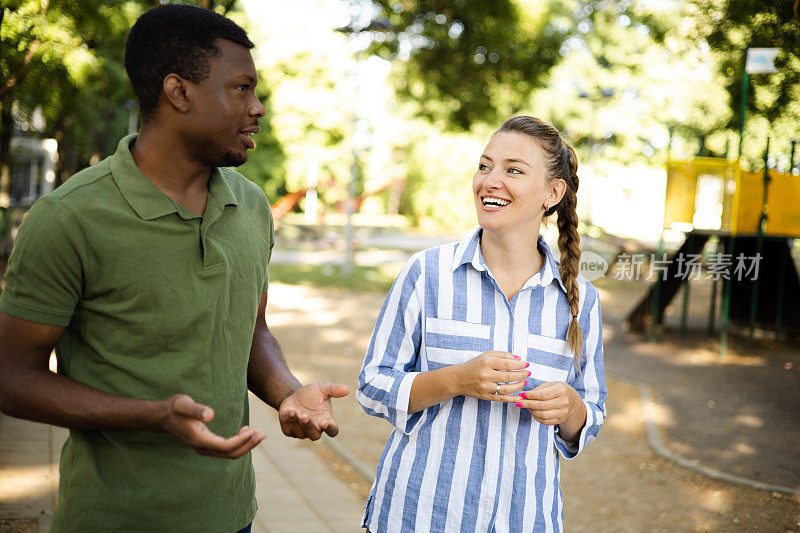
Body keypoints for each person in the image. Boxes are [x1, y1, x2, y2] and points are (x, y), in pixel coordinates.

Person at [0, 5, 348, 532]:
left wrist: (287, 391)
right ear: (178, 92)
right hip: (114, 521)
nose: (256, 108)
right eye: (240, 89)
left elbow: (249, 329)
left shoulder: (251, 207)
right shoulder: (70, 219)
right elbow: (11, 378)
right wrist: (152, 415)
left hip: (234, 517)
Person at [357, 115, 607, 532]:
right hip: (418, 517)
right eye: (485, 166)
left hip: (525, 520)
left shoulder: (581, 300)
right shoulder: (427, 273)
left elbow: (590, 413)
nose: (490, 180)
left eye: (513, 170)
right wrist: (455, 380)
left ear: (553, 192)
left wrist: (571, 407)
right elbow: (372, 386)